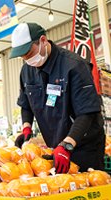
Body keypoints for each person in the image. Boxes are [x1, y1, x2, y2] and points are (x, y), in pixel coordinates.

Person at [10, 23, 105, 173]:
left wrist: (67, 145)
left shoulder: (74, 66)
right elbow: (26, 104)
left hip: (84, 146)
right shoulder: (26, 71)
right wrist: (26, 128)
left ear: (43, 40)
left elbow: (87, 112)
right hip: (55, 147)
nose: (26, 58)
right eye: (22, 56)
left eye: (28, 52)